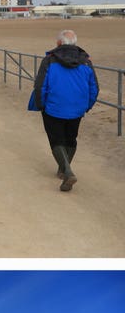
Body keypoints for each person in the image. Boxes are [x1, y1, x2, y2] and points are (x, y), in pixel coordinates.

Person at [31, 30, 99, 192]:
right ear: (74, 43)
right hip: (77, 108)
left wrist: (41, 105)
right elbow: (94, 88)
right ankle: (63, 169)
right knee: (70, 139)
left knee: (56, 140)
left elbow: (40, 85)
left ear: (59, 43)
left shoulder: (50, 60)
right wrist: (86, 106)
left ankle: (67, 172)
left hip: (53, 107)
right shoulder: (86, 61)